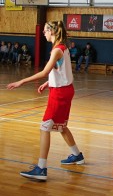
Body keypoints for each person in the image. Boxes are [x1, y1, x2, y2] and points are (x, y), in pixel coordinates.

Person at [7, 21, 84, 181]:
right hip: (65, 89)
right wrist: (49, 83)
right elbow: (63, 72)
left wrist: (22, 81)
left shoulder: (57, 50)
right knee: (61, 126)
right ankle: (77, 155)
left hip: (60, 93)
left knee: (45, 127)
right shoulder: (64, 47)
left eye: (45, 31)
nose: (43, 33)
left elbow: (44, 71)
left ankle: (41, 168)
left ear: (52, 31)